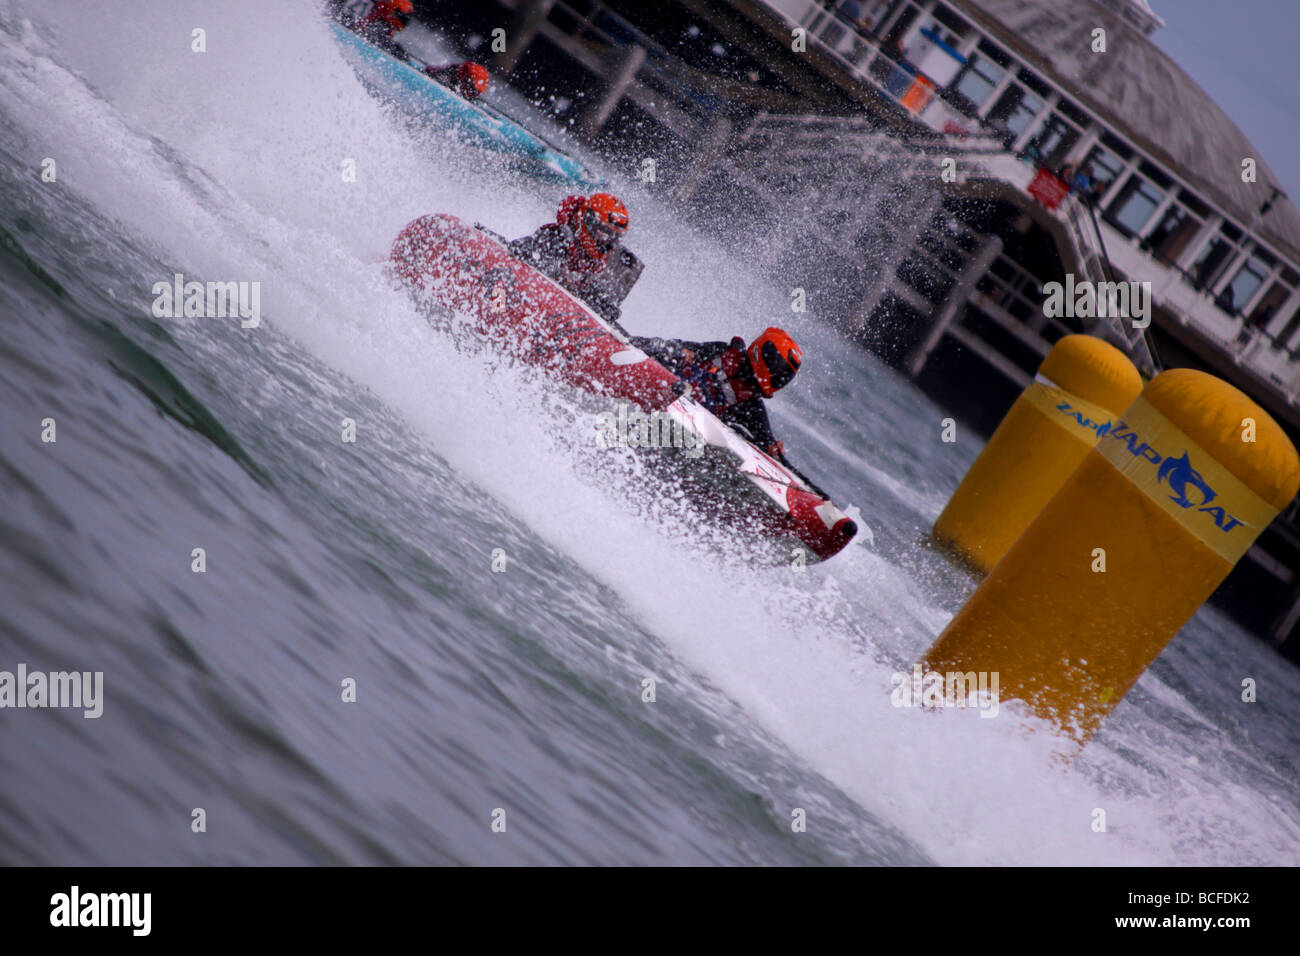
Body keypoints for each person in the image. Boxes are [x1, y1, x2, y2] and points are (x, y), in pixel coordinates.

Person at [627, 327, 802, 460]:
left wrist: (773, 451)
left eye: (784, 375)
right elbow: (677, 346)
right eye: (778, 369)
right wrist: (681, 352)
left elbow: (767, 443)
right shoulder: (722, 352)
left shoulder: (751, 406)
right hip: (656, 393)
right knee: (668, 351)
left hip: (677, 435)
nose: (780, 377)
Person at [508, 193, 633, 323]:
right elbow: (521, 252)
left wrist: (600, 304)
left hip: (559, 319)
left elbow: (581, 292)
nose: (606, 244)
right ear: (588, 222)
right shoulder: (556, 239)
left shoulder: (595, 264)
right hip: (528, 310)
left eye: (613, 239)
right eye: (602, 234)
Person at [424, 62, 490, 100]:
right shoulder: (450, 73)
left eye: (475, 92)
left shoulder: (472, 98)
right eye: (470, 88)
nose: (471, 93)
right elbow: (430, 70)